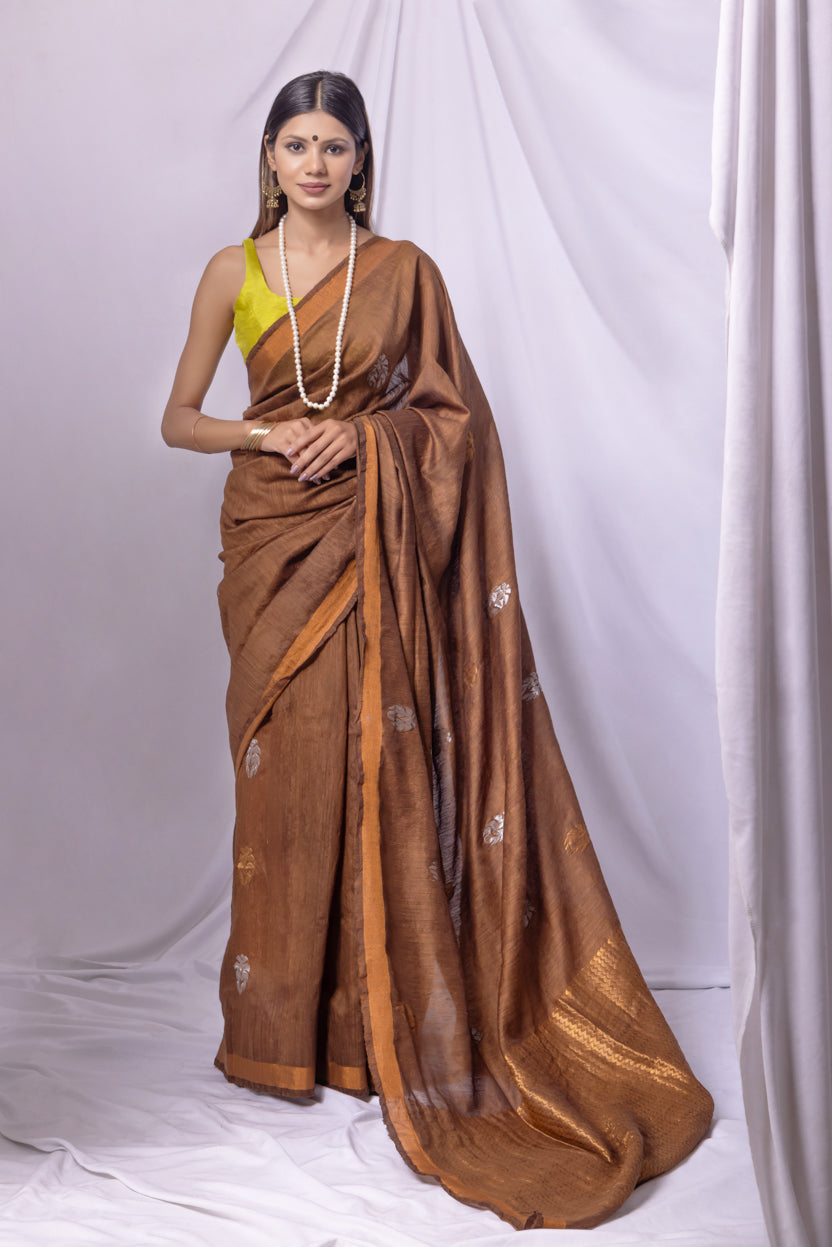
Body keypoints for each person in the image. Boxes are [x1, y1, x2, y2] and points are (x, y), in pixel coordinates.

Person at [162, 69, 713, 1231]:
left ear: (360, 160)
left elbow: (454, 418)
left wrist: (361, 436)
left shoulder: (405, 270)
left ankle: (371, 1034)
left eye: (333, 146)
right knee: (289, 787)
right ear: (268, 158)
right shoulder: (235, 271)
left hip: (372, 540)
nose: (313, 163)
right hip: (274, 542)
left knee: (379, 770)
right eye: (295, 143)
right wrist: (274, 430)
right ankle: (278, 1036)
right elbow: (178, 417)